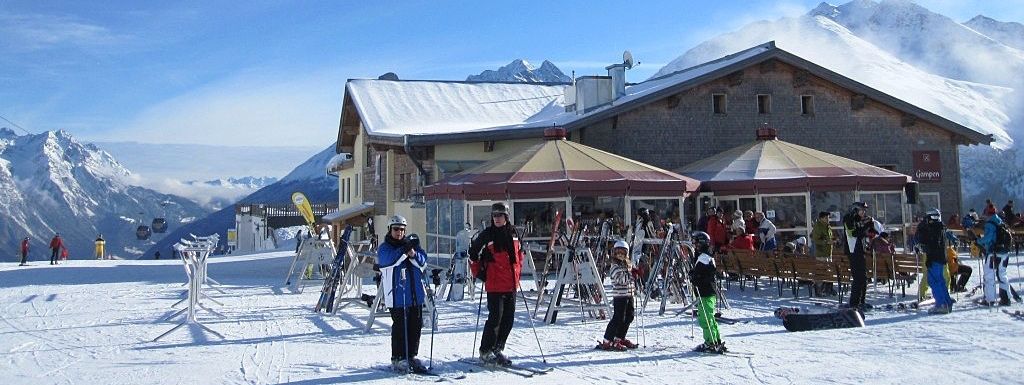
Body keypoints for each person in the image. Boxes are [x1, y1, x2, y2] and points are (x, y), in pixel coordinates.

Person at [469, 202, 524, 366]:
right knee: (495, 319)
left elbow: (519, 254)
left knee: (508, 319)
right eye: (494, 216)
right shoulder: (487, 235)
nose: (497, 219)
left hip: (511, 283)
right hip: (495, 284)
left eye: (500, 215)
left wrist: (518, 272)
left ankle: (498, 348)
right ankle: (486, 350)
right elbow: (472, 254)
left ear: (506, 217)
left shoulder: (513, 233)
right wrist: (479, 273)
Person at [377, 214, 430, 373]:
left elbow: (423, 262)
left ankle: (411, 355)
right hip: (397, 296)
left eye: (401, 229)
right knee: (400, 327)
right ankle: (398, 357)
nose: (399, 232)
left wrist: (412, 253)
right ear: (390, 230)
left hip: (415, 295)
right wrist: (404, 251)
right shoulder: (385, 247)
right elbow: (388, 261)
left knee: (415, 326)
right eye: (396, 229)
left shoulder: (411, 245)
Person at [597, 241, 638, 351]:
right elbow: (621, 280)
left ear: (626, 253)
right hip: (620, 296)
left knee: (629, 316)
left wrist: (636, 274)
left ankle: (619, 338)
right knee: (618, 318)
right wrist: (630, 274)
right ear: (614, 253)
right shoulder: (615, 266)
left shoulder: (626, 265)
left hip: (629, 294)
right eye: (617, 252)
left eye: (622, 252)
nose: (620, 254)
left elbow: (630, 278)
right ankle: (607, 340)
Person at [689, 231, 726, 354]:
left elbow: (706, 276)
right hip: (706, 292)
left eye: (696, 243)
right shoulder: (705, 257)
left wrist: (695, 277)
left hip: (705, 292)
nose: (695, 246)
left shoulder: (704, 258)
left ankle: (710, 342)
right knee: (709, 318)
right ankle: (715, 340)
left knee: (705, 319)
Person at [918, 209, 953, 314]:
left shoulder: (933, 229)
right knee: (940, 280)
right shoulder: (941, 227)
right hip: (940, 257)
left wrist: (925, 248)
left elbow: (933, 245)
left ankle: (941, 304)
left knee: (934, 281)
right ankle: (946, 302)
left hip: (934, 258)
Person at [978, 213, 1012, 306]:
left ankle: (990, 299)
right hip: (1004, 253)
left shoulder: (990, 224)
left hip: (993, 253)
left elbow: (988, 238)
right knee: (1002, 274)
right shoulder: (1001, 223)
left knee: (989, 276)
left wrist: (979, 241)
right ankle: (1006, 298)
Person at [843, 202, 872, 310]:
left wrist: (869, 229)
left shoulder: (859, 220)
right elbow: (853, 233)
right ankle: (854, 303)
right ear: (855, 210)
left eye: (864, 211)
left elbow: (861, 234)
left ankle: (861, 301)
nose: (864, 213)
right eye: (862, 210)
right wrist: (866, 226)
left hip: (860, 250)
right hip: (853, 251)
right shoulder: (849, 219)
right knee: (858, 278)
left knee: (864, 278)